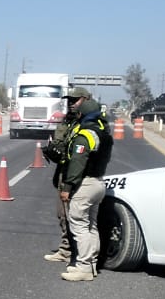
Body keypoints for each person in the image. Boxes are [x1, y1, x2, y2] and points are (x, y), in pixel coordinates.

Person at [57, 89, 112, 282]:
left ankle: (84, 267)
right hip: (99, 182)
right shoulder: (104, 131)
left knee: (79, 225)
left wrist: (67, 187)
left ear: (82, 114)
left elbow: (78, 162)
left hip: (85, 184)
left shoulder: (85, 135)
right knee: (91, 225)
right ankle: (91, 264)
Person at [41, 88, 84, 265]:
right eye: (70, 100)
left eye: (76, 100)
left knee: (77, 217)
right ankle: (67, 249)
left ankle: (81, 257)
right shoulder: (68, 122)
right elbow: (61, 145)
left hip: (77, 175)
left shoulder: (88, 123)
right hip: (64, 172)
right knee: (62, 214)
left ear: (85, 100)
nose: (71, 103)